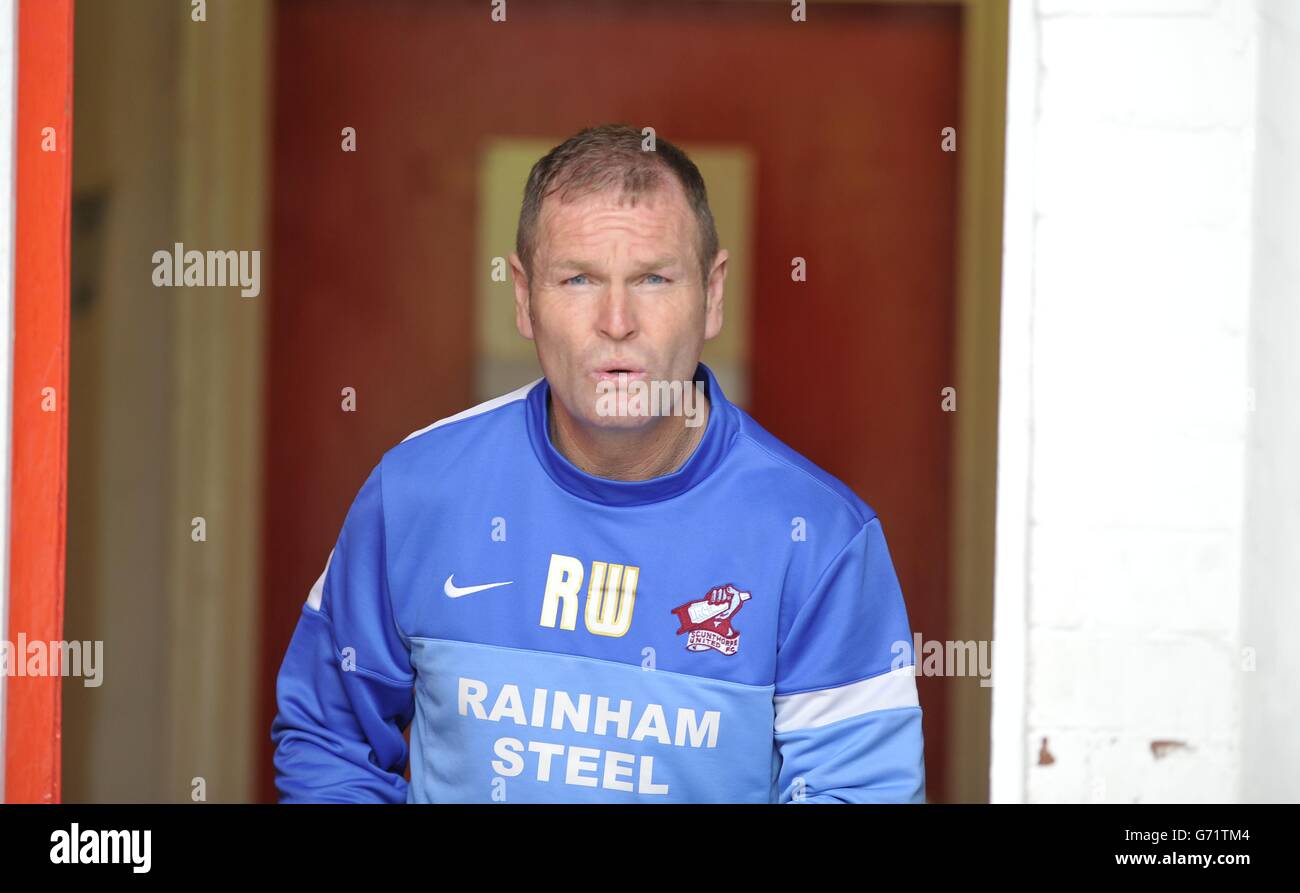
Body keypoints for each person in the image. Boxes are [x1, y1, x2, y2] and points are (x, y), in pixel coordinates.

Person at [270, 123, 926, 803]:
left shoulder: (818, 538)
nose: (617, 320)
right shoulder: (417, 490)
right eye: (578, 277)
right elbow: (327, 738)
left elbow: (860, 791)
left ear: (713, 293)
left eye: (653, 277)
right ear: (524, 297)